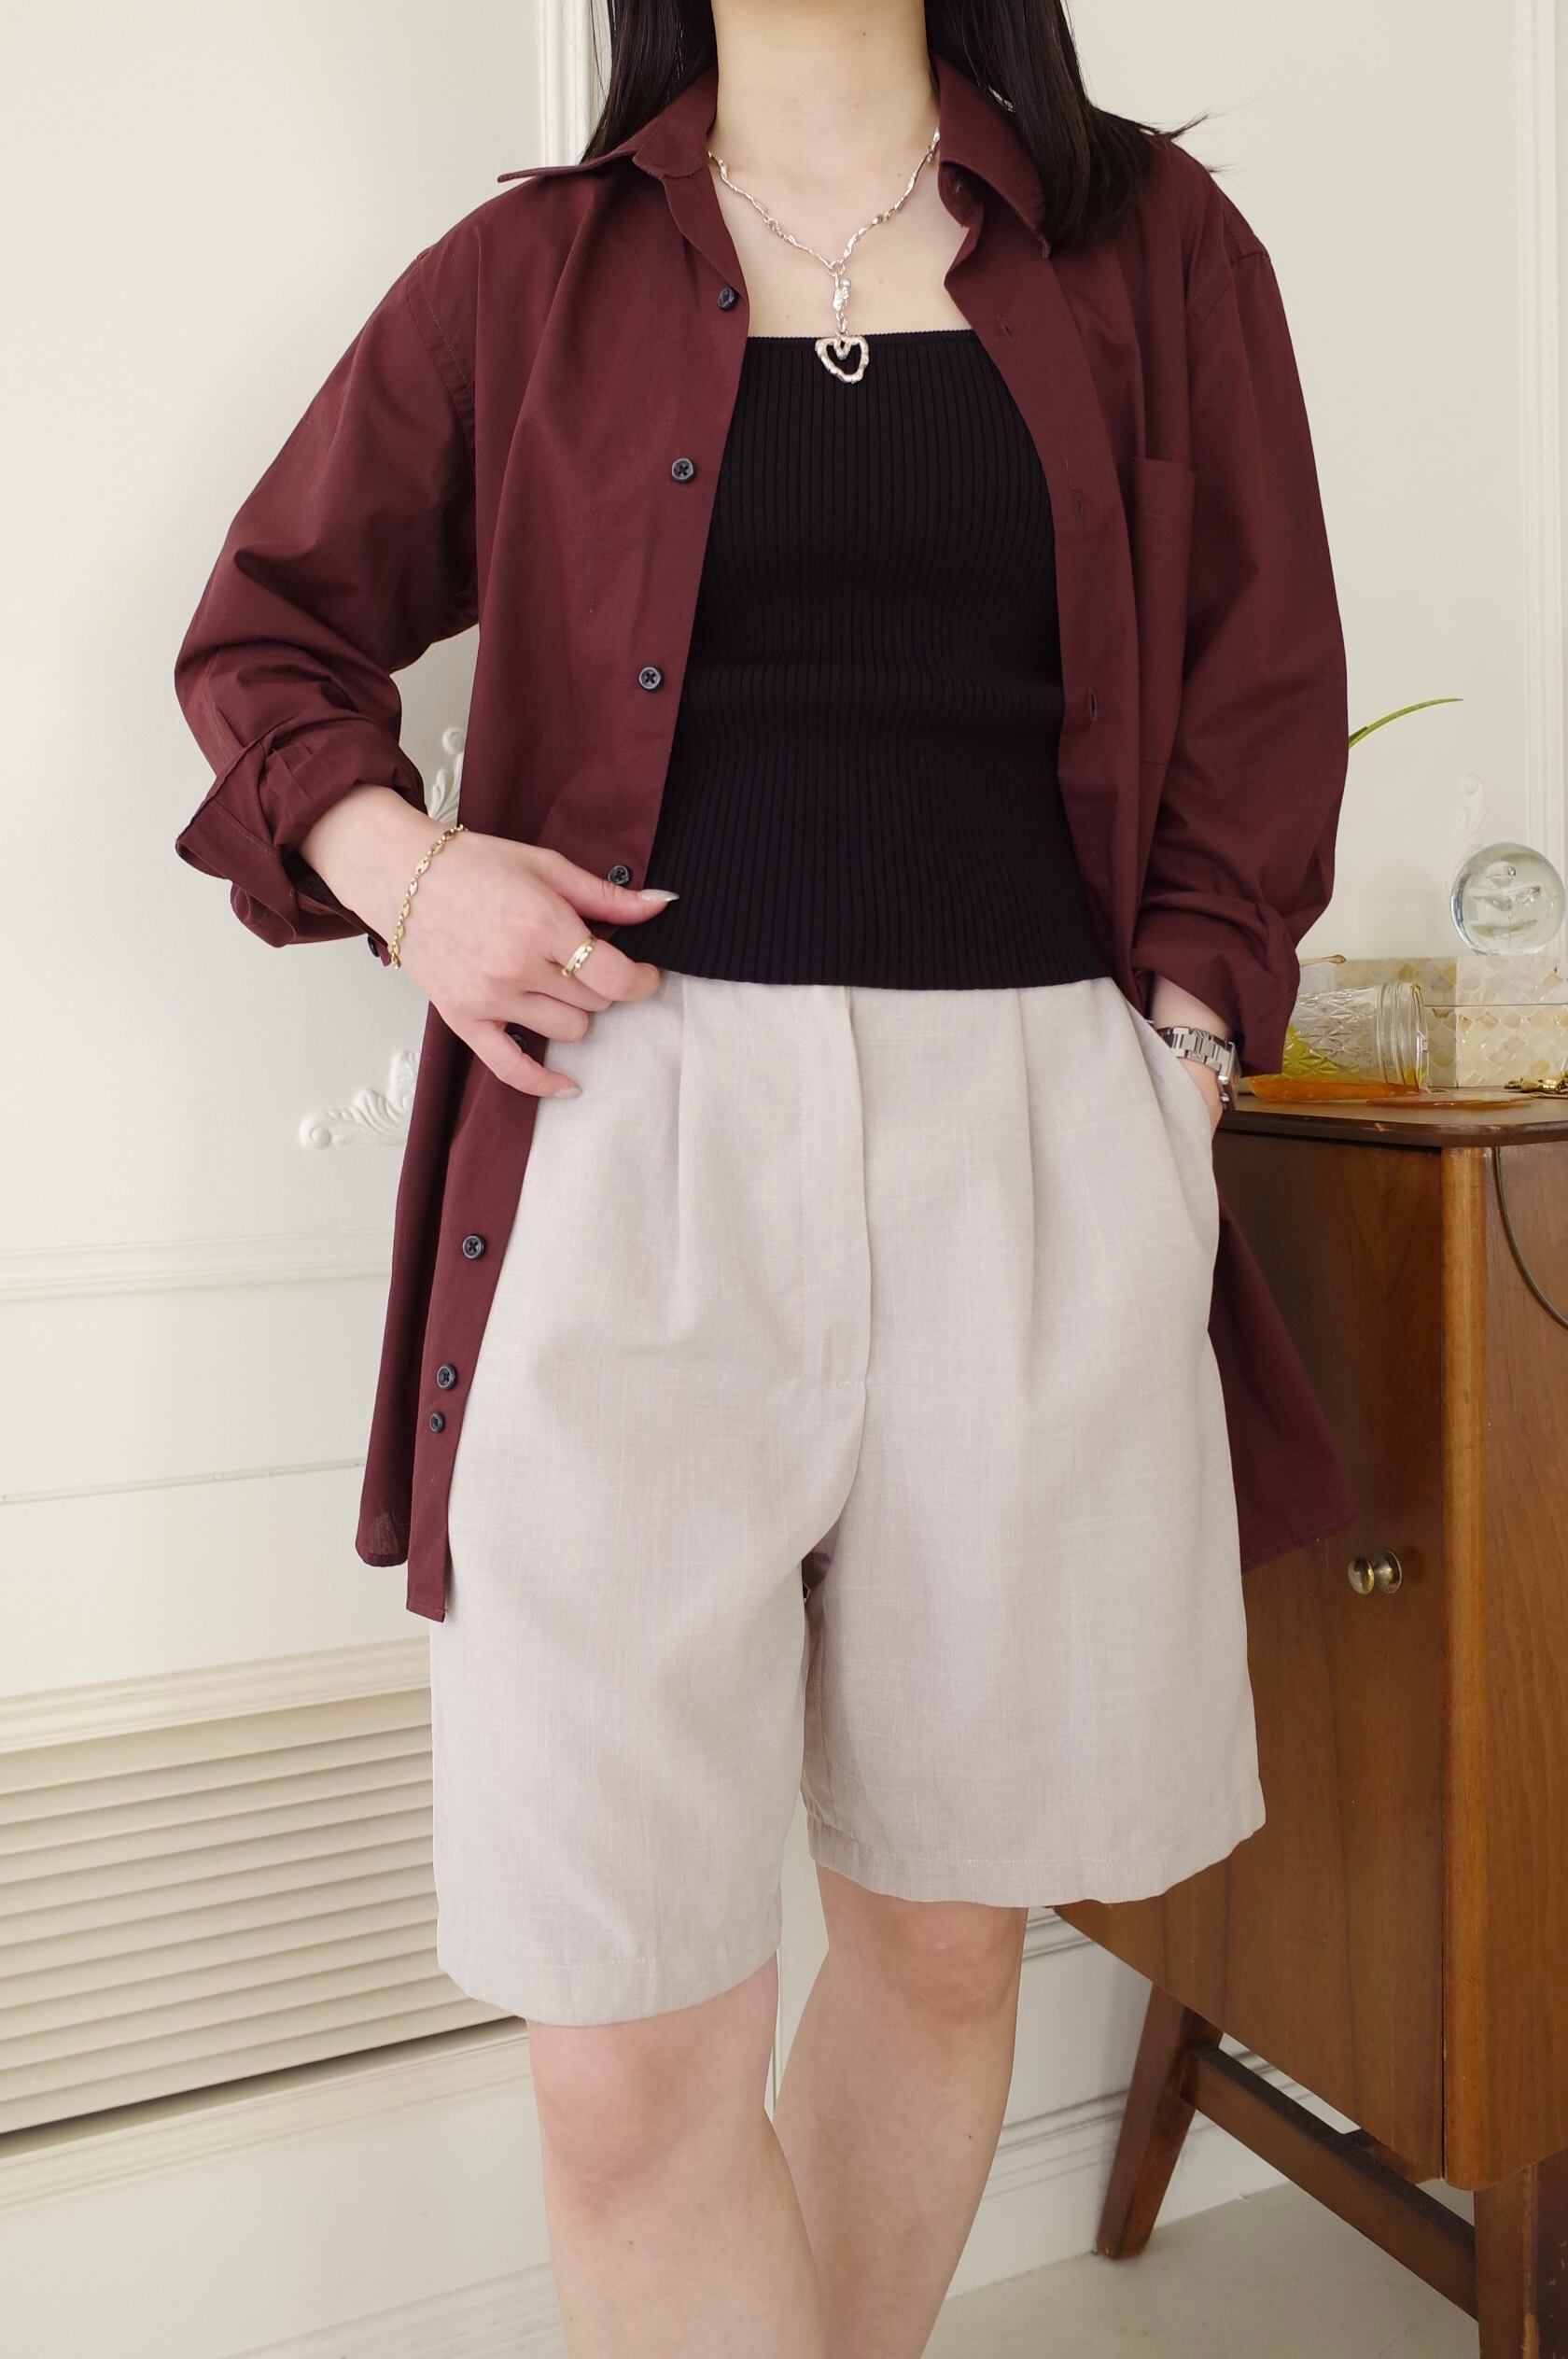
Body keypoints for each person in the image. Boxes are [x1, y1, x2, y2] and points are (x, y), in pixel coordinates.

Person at [171, 3, 1352, 2351]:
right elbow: (265, 640)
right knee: (622, 2047)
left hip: (1040, 1155)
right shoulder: (528, 282)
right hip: (628, 1156)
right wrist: (415, 879)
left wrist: (1182, 1065)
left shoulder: (1159, 249)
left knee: (942, 1938)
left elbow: (1259, 695)